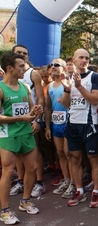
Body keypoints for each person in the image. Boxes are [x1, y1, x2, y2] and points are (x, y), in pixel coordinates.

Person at [0, 52, 43, 225]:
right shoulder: (1, 89)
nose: (24, 69)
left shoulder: (25, 86)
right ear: (10, 68)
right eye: (21, 66)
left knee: (32, 167)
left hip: (26, 132)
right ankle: (4, 210)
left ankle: (25, 201)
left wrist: (35, 113)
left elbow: (31, 110)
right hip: (8, 135)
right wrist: (22, 118)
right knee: (8, 171)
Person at [60, 48, 98, 208]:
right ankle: (79, 190)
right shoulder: (69, 78)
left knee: (93, 158)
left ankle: (96, 191)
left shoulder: (95, 77)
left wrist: (79, 87)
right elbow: (65, 104)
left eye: (86, 57)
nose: (84, 60)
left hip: (89, 124)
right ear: (74, 59)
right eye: (81, 57)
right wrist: (67, 89)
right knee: (75, 158)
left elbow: (95, 100)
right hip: (73, 124)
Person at [10, 44, 46, 198]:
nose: (22, 55)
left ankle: (39, 182)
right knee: (17, 153)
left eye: (24, 53)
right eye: (18, 52)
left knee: (34, 150)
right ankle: (20, 180)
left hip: (30, 118)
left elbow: (40, 98)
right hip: (13, 120)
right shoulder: (8, 73)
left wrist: (37, 119)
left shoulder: (33, 74)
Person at [44, 59, 73, 197]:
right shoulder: (50, 86)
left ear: (64, 68)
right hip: (56, 124)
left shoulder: (69, 82)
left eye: (57, 65)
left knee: (69, 153)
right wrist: (48, 127)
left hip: (68, 122)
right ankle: (66, 180)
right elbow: (48, 107)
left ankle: (74, 182)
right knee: (60, 153)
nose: (53, 67)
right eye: (52, 65)